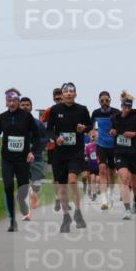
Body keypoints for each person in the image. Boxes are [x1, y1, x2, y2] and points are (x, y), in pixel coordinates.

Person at [0, 88, 37, 232]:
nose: (12, 103)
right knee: (8, 186)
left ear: (18, 101)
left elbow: (36, 136)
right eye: (9, 101)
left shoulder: (26, 117)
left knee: (22, 188)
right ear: (6, 102)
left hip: (23, 159)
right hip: (7, 159)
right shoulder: (1, 117)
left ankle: (22, 203)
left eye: (15, 101)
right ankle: (12, 220)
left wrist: (32, 151)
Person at [46, 82, 92, 232]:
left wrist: (84, 128)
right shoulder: (55, 110)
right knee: (62, 187)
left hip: (76, 152)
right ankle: (66, 216)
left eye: (71, 91)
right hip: (60, 153)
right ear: (62, 95)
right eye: (66, 92)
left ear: (75, 94)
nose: (68, 94)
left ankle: (78, 211)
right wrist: (55, 137)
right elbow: (48, 130)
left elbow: (90, 126)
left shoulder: (82, 110)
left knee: (72, 180)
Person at [109, 91, 136, 220]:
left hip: (135, 153)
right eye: (124, 106)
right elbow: (113, 131)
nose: (126, 109)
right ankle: (127, 209)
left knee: (135, 184)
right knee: (125, 179)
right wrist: (112, 132)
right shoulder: (115, 118)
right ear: (121, 106)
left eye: (128, 107)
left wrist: (134, 134)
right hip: (120, 152)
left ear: (131, 107)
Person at [91, 91, 121, 210]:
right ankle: (103, 199)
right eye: (102, 100)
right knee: (102, 169)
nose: (104, 102)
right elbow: (91, 125)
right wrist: (93, 133)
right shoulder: (95, 113)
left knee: (112, 172)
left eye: (106, 100)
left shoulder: (116, 112)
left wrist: (116, 131)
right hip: (101, 145)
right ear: (99, 101)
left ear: (110, 100)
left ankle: (110, 193)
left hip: (114, 146)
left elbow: (121, 125)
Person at [19, 96, 46, 217]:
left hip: (37, 156)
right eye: (23, 104)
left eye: (27, 105)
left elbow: (45, 138)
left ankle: (33, 193)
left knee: (37, 185)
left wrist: (37, 146)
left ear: (31, 107)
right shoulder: (15, 122)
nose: (25, 106)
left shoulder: (38, 124)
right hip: (20, 158)